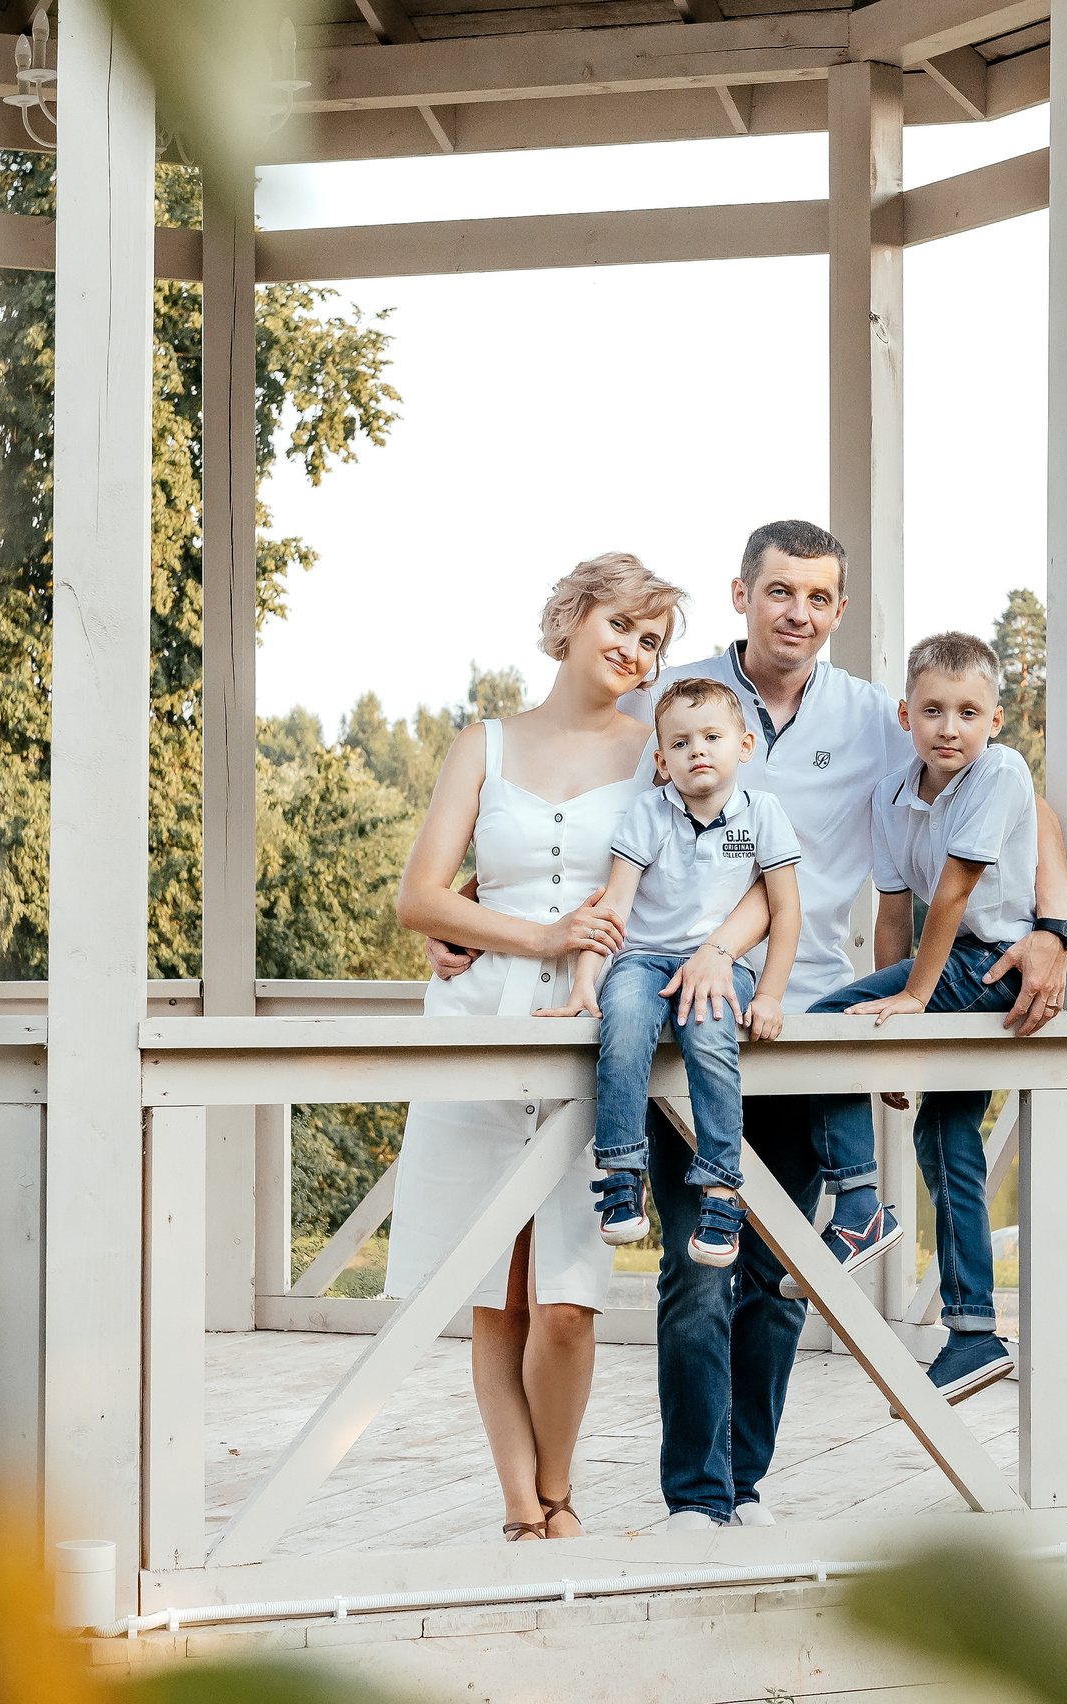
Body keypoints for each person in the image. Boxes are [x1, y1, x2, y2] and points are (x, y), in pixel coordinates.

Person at [567, 518, 1067, 1532]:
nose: (797, 611)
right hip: (683, 1020)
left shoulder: (879, 717)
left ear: (838, 610)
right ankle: (692, 1499)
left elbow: (1006, 785)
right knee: (693, 1270)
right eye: (778, 591)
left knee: (778, 1277)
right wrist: (483, 912)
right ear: (741, 595)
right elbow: (580, 810)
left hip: (807, 1024)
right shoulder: (680, 701)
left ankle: (742, 1485)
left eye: (817, 596)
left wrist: (1054, 928)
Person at [389, 552, 686, 1543]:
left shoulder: (657, 751)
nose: (634, 651)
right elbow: (418, 897)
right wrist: (521, 931)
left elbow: (694, 872)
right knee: (493, 1285)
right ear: (571, 617)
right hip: (478, 1015)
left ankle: (558, 1491)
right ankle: (525, 1509)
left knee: (565, 1293)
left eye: (652, 641)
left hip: (593, 1020)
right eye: (621, 625)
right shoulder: (486, 743)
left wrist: (589, 943)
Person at [802, 631, 1053, 1405]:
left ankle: (857, 1202)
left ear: (996, 720)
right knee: (945, 1141)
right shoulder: (890, 795)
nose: (950, 727)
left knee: (823, 1024)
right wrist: (900, 1032)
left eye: (968, 712)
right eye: (934, 710)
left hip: (991, 966)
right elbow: (894, 914)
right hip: (942, 966)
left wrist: (911, 1000)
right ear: (905, 715)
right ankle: (974, 1332)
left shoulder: (1000, 774)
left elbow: (952, 893)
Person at [539, 675, 804, 1270]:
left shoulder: (763, 814)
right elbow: (615, 907)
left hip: (719, 965)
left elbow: (786, 911)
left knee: (711, 1037)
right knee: (625, 1024)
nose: (697, 751)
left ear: (745, 745)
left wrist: (771, 995)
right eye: (681, 743)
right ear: (662, 761)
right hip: (643, 958)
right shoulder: (648, 815)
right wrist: (586, 983)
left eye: (712, 736)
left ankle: (720, 1189)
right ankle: (621, 1173)